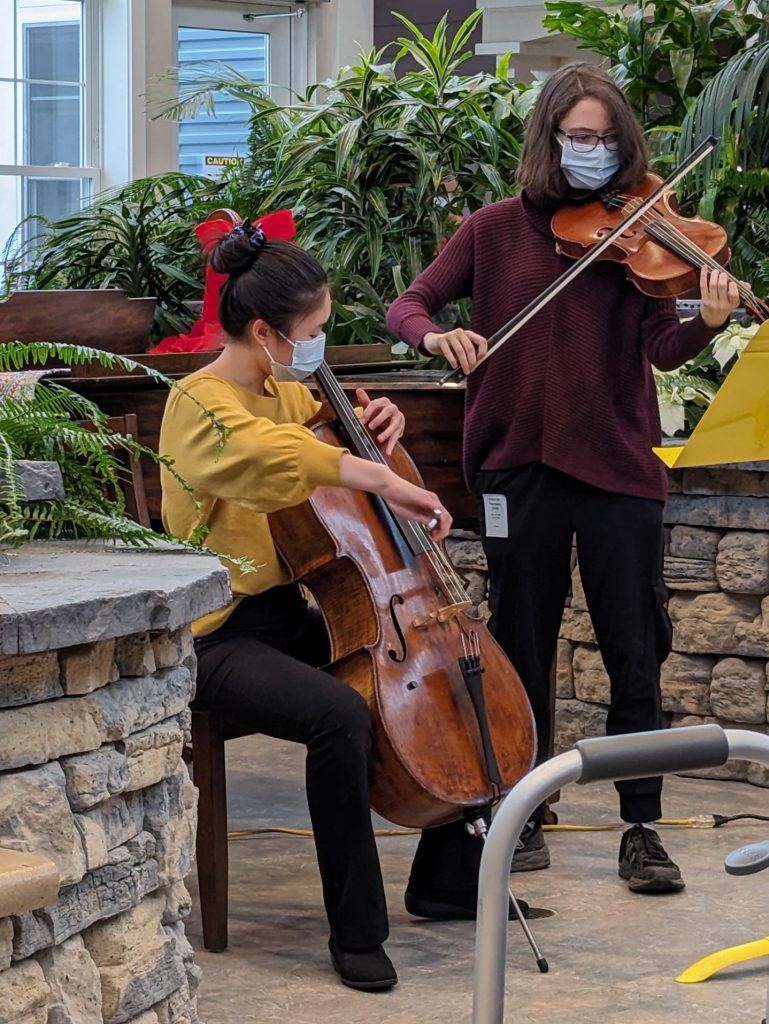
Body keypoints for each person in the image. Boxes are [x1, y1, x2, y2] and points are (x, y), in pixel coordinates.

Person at [386, 62, 742, 895]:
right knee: (519, 643)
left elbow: (659, 347)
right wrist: (436, 339)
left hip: (617, 466)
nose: (591, 151)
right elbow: (410, 305)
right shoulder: (492, 229)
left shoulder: (640, 233)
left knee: (632, 649)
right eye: (577, 137)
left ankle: (641, 827)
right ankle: (524, 808)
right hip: (515, 465)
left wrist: (708, 322)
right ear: (549, 138)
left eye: (606, 138)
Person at [158, 215, 524, 993]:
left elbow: (326, 437)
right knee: (340, 715)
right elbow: (271, 457)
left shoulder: (286, 392)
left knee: (453, 677)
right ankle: (356, 932)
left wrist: (374, 430)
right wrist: (376, 475)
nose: (318, 347)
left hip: (300, 613)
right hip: (218, 634)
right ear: (264, 331)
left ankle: (446, 879)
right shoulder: (199, 403)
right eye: (313, 332)